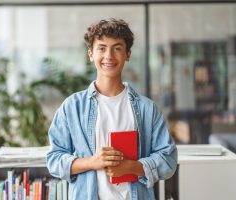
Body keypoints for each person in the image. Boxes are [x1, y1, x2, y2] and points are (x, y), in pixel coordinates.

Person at [46, 18, 177, 200]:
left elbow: (168, 160)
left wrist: (131, 167)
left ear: (127, 54)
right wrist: (92, 162)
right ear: (91, 54)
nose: (109, 56)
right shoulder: (72, 107)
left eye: (117, 48)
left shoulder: (147, 109)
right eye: (101, 48)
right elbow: (54, 160)